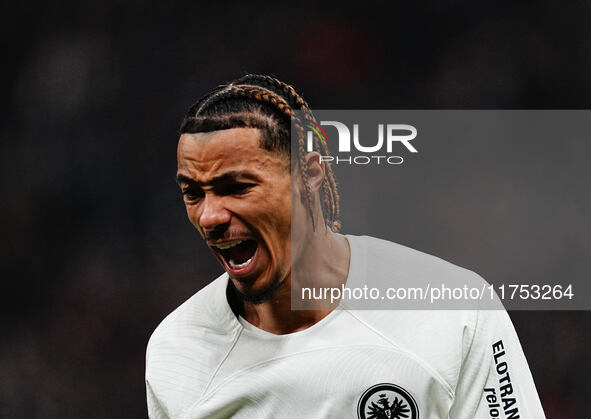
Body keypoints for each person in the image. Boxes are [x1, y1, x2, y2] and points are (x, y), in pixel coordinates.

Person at [145, 75, 546, 418]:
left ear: (310, 176)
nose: (210, 216)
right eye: (194, 193)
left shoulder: (454, 310)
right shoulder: (176, 351)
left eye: (237, 187)